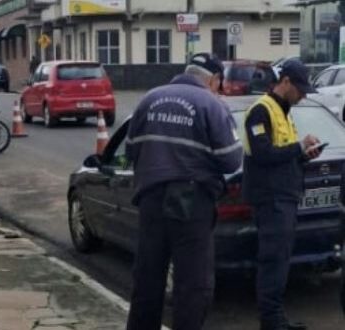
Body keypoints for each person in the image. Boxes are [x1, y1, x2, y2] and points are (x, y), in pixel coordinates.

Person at [125, 53, 242, 330]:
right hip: (192, 203)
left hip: (150, 199)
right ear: (213, 80)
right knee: (192, 285)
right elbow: (231, 159)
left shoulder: (149, 99)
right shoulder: (212, 105)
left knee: (147, 280)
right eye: (220, 84)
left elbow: (131, 149)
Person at [242, 59, 321, 330]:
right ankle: (271, 321)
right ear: (284, 82)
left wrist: (304, 154)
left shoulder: (282, 110)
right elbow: (263, 155)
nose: (302, 95)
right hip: (271, 199)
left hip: (284, 197)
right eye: (299, 89)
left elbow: (283, 156)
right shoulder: (261, 111)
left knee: (280, 260)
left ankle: (276, 319)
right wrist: (298, 148)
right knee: (273, 260)